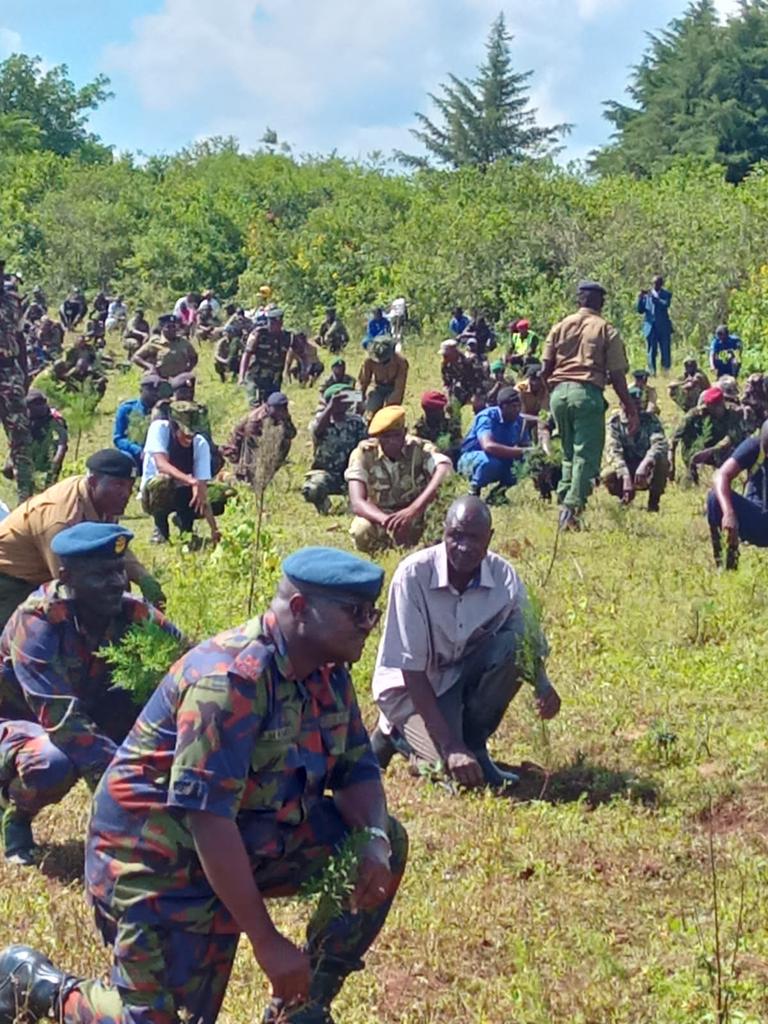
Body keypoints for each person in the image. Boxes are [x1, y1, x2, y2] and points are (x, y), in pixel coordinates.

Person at [0, 547, 407, 1024]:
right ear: (300, 609)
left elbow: (358, 769)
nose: (368, 623)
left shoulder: (326, 672)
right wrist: (268, 943)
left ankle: (301, 1004)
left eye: (370, 612)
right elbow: (208, 821)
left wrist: (374, 843)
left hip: (245, 840)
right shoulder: (229, 681)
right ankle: (37, 986)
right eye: (355, 613)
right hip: (153, 862)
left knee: (382, 838)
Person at [0, 522, 181, 866]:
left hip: (85, 714)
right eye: (101, 576)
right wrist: (126, 787)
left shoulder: (131, 611)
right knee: (53, 763)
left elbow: (192, 663)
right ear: (66, 577)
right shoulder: (38, 623)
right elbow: (63, 721)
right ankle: (15, 810)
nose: (116, 583)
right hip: (20, 721)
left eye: (118, 571)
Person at [370, 496, 560, 790]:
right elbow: (412, 672)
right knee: (451, 777)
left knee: (512, 645)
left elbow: (528, 639)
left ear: (490, 538)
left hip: (457, 681)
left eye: (474, 538)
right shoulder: (413, 576)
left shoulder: (503, 576)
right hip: (409, 692)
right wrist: (450, 747)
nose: (464, 546)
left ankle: (475, 748)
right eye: (455, 536)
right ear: (443, 532)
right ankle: (397, 736)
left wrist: (543, 685)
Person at [542, 280, 636, 530]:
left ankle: (564, 499)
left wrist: (552, 394)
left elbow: (545, 368)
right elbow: (616, 375)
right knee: (587, 455)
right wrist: (629, 406)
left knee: (569, 453)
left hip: (559, 394)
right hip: (587, 393)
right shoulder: (606, 329)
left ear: (578, 301)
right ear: (600, 303)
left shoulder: (560, 326)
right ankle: (571, 509)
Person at [345, 405, 452, 554]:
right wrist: (388, 522)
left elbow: (444, 469)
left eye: (396, 435)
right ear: (377, 437)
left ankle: (428, 549)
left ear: (405, 432)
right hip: (380, 516)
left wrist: (413, 510)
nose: (391, 441)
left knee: (447, 519)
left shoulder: (419, 449)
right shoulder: (364, 454)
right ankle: (383, 551)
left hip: (417, 514)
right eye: (385, 437)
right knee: (361, 530)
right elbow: (357, 502)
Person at [140, 402, 220, 545]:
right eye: (186, 434)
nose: (189, 438)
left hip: (183, 491)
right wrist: (190, 480)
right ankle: (161, 529)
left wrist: (214, 528)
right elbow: (161, 464)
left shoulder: (200, 443)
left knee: (218, 497)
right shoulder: (159, 429)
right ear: (174, 426)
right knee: (162, 482)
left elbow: (202, 491)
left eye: (193, 434)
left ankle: (186, 529)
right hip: (154, 492)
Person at [707, 420, 768, 570]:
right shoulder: (754, 447)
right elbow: (721, 476)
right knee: (714, 498)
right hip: (759, 518)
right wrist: (729, 513)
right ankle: (727, 564)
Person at [602, 386, 669, 512]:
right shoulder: (614, 423)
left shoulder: (650, 419)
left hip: (645, 468)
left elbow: (660, 443)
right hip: (625, 466)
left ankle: (653, 503)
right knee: (608, 474)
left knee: (662, 462)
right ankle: (625, 497)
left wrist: (646, 462)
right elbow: (613, 450)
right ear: (622, 404)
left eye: (639, 405)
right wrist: (625, 474)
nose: (636, 409)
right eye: (632, 405)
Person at [302, 384, 367, 514]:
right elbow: (317, 430)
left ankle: (354, 505)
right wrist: (331, 407)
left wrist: (362, 407)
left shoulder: (356, 422)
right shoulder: (321, 421)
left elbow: (366, 443)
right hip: (327, 474)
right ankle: (324, 506)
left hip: (351, 472)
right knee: (311, 489)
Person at [458, 387, 528, 499]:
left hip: (499, 458)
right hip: (472, 458)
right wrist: (522, 452)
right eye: (514, 407)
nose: (517, 410)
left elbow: (526, 447)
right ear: (503, 407)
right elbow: (488, 446)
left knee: (523, 464)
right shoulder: (487, 417)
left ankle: (498, 494)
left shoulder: (518, 422)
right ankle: (474, 492)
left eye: (519, 406)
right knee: (490, 462)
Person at [670, 386, 748, 484]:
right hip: (705, 445)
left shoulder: (734, 412)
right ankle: (692, 474)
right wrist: (671, 462)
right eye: (711, 407)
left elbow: (731, 438)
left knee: (740, 444)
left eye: (717, 406)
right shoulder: (696, 413)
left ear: (723, 403)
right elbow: (674, 438)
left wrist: (710, 451)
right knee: (689, 436)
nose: (715, 410)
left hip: (723, 448)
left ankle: (729, 474)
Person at [0, 269, 33, 502]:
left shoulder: (12, 301)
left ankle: (25, 496)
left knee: (20, 433)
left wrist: (25, 373)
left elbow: (20, 336)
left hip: (10, 371)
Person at [221, 392, 297, 487]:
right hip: (239, 446)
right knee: (246, 483)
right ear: (270, 407)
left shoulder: (281, 414)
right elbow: (251, 443)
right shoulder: (256, 420)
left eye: (284, 408)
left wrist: (285, 421)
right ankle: (230, 476)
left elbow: (292, 434)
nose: (282, 411)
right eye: (279, 409)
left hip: (260, 442)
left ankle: (266, 473)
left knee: (285, 441)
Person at [3, 390, 68, 494]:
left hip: (47, 450)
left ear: (42, 405)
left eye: (32, 408)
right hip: (27, 446)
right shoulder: (24, 415)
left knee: (49, 485)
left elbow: (62, 442)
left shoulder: (54, 418)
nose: (29, 410)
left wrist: (56, 460)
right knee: (7, 470)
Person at [113, 373, 171, 471]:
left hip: (160, 455)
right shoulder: (127, 409)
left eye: (157, 390)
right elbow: (118, 438)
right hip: (134, 455)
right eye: (150, 390)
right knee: (124, 459)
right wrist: (137, 450)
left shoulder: (166, 410)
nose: (154, 393)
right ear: (141, 391)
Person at [239, 307, 293, 406]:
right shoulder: (259, 334)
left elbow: (297, 353)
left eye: (278, 323)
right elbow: (247, 354)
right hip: (256, 376)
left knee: (273, 405)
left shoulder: (286, 337)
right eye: (272, 323)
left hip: (274, 378)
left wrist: (291, 370)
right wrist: (241, 376)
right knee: (255, 404)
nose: (275, 326)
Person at [132, 314, 198, 379]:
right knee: (149, 381)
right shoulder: (155, 342)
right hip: (160, 377)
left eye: (174, 327)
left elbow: (194, 357)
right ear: (162, 328)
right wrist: (150, 366)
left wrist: (187, 370)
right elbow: (136, 357)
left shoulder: (183, 342)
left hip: (179, 377)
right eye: (168, 327)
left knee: (190, 378)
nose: (172, 329)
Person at [358, 337, 409, 418]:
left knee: (389, 415)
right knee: (370, 413)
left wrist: (387, 408)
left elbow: (399, 389)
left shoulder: (401, 363)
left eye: (385, 361)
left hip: (393, 389)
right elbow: (362, 383)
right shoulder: (369, 361)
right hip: (377, 388)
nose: (381, 364)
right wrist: (359, 401)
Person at [636, 275, 673, 374]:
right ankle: (652, 371)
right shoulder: (647, 295)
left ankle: (665, 371)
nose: (655, 286)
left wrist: (656, 299)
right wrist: (640, 298)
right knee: (651, 350)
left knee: (665, 349)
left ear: (661, 284)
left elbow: (666, 305)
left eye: (658, 284)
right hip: (650, 327)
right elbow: (640, 310)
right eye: (654, 283)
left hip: (663, 327)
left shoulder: (666, 294)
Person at [412, 390, 462, 461]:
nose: (442, 413)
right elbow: (415, 448)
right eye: (438, 411)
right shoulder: (419, 428)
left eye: (442, 409)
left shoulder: (449, 424)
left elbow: (458, 442)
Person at [440, 339, 487, 408]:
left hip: (477, 389)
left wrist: (477, 396)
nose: (444, 357)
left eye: (446, 355)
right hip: (460, 392)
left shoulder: (470, 361)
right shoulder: (446, 366)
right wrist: (447, 398)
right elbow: (446, 383)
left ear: (454, 352)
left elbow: (480, 378)